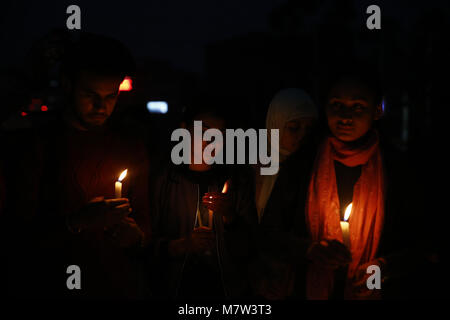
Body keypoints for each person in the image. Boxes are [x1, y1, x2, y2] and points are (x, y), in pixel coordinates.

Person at [6, 32, 151, 298]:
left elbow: (145, 220)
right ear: (67, 84)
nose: (101, 106)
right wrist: (77, 222)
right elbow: (17, 238)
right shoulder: (36, 146)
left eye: (111, 96)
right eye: (90, 94)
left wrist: (136, 235)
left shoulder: (130, 145)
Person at [304, 64, 428, 299]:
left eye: (358, 107)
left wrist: (386, 267)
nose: (345, 117)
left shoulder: (398, 169)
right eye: (337, 105)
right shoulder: (306, 162)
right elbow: (271, 232)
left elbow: (423, 243)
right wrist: (309, 250)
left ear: (377, 111)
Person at [149, 104, 258, 299]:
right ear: (184, 130)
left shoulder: (236, 181)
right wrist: (181, 245)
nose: (211, 143)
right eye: (204, 132)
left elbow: (250, 248)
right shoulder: (163, 180)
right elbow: (144, 244)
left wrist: (230, 217)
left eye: (219, 135)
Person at [251, 88, 319, 299]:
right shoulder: (256, 168)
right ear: (275, 126)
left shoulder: (316, 171)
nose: (302, 137)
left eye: (309, 130)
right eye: (293, 128)